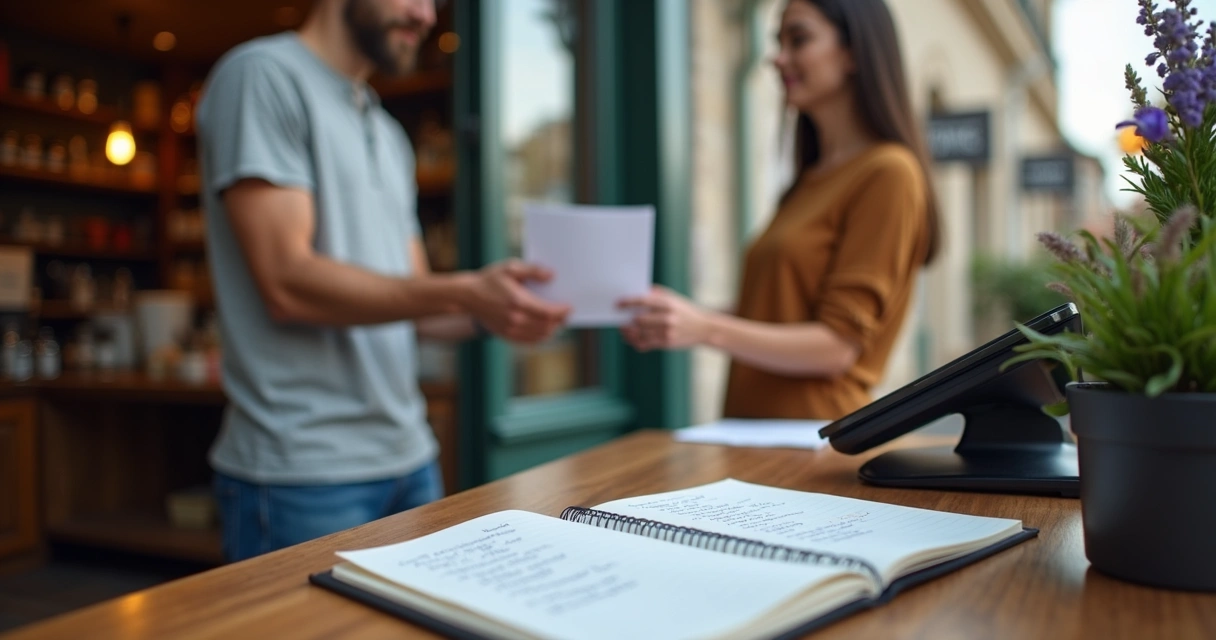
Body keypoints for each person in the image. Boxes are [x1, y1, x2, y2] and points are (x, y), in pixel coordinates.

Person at [196, 0, 569, 562]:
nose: (426, 16)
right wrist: (466, 288)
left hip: (410, 459)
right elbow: (287, 283)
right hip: (303, 471)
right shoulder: (261, 76)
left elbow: (413, 301)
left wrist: (500, 309)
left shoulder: (388, 132)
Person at [620, 0, 940, 421]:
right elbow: (775, 311)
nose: (777, 58)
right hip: (751, 434)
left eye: (799, 39)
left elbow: (836, 348)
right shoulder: (808, 182)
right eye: (777, 42)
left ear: (853, 52)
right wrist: (682, 316)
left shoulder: (889, 172)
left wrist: (706, 328)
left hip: (812, 440)